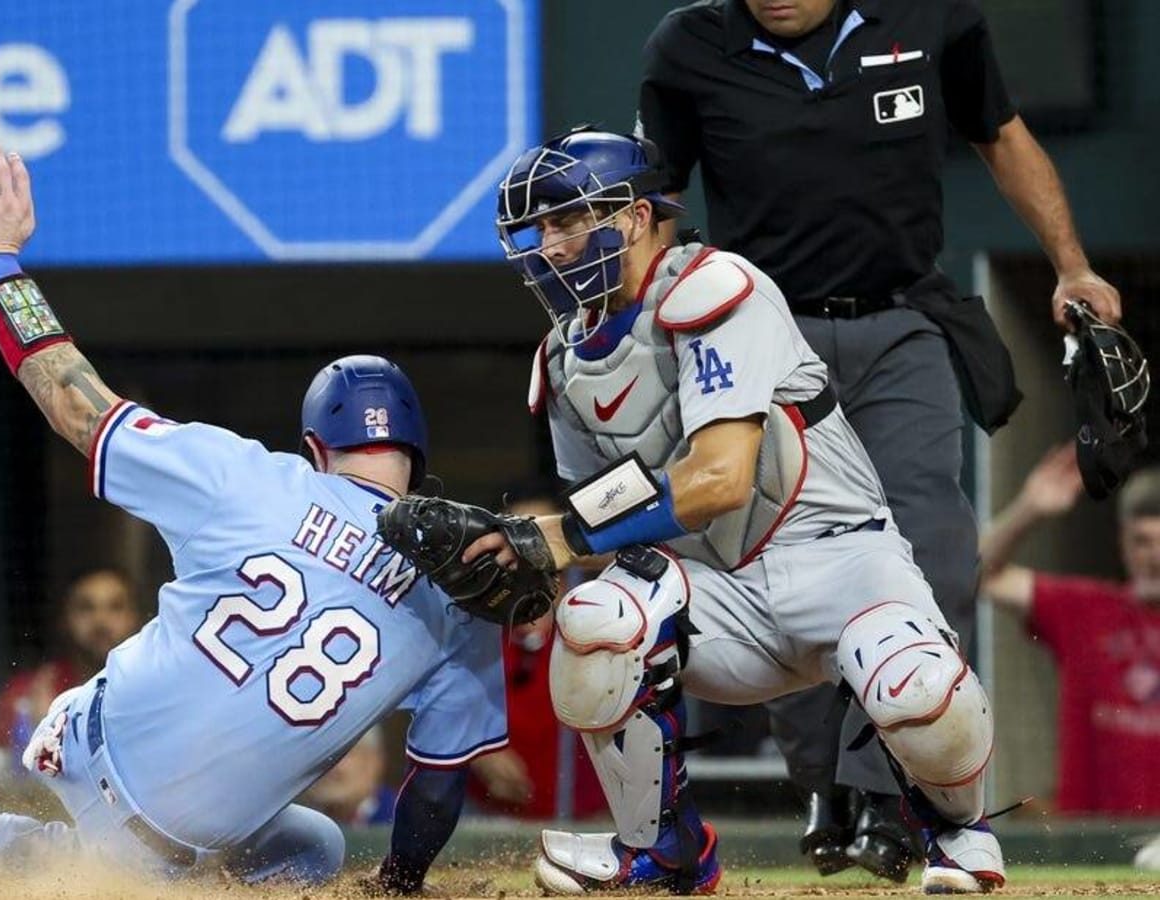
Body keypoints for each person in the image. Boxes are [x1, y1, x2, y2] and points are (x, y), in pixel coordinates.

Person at [0, 144, 509, 891]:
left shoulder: (247, 474)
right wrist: (398, 885)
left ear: (316, 448)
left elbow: (73, 400)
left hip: (79, 738)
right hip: (170, 849)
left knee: (301, 832)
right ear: (418, 461)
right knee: (315, 855)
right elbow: (435, 784)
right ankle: (44, 853)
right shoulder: (467, 591)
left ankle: (10, 843)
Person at [637, 0, 1123, 877]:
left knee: (932, 545)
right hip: (762, 341)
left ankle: (881, 790)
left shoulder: (932, 15)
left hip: (900, 323)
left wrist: (1071, 263)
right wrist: (646, 338)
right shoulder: (690, 44)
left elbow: (1001, 135)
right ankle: (828, 784)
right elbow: (657, 206)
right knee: (778, 570)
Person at [481, 127, 1002, 893]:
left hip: (839, 564)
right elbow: (604, 509)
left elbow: (720, 479)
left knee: (915, 689)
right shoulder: (563, 357)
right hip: (717, 597)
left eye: (568, 219)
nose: (549, 245)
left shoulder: (720, 287)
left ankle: (959, 831)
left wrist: (559, 536)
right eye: (539, 228)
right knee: (593, 620)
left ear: (632, 217)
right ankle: (663, 852)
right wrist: (517, 548)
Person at [979, 445, 1160, 816]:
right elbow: (976, 576)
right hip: (1087, 842)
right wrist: (1029, 510)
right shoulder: (1086, 609)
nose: (1155, 557)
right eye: (1142, 541)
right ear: (1122, 543)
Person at [468, 482, 606, 821]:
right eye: (517, 539)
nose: (532, 553)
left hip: (593, 818)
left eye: (542, 539)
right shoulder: (469, 627)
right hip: (486, 820)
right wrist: (475, 748)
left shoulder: (602, 626)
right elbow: (434, 701)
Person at [0, 568, 144, 759]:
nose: (101, 620)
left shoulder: (155, 690)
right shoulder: (24, 693)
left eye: (115, 607)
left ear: (135, 618)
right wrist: (34, 730)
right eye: (86, 608)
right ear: (64, 620)